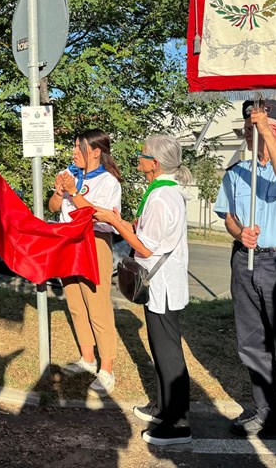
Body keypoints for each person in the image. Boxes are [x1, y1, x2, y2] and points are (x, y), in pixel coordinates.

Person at [214, 100, 276, 463]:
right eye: (246, 128)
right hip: (245, 261)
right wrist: (239, 233)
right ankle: (267, 413)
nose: (247, 133)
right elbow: (228, 216)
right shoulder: (236, 171)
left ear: (274, 131)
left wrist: (266, 135)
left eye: (253, 127)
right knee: (252, 345)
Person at [94, 135, 192, 446]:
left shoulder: (162, 196)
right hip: (158, 284)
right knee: (160, 348)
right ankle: (164, 407)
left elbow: (146, 247)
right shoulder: (160, 192)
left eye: (143, 153)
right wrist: (122, 222)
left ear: (155, 163)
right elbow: (145, 231)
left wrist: (114, 222)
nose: (139, 157)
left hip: (162, 284)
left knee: (168, 352)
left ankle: (178, 423)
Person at [50, 129, 122, 396]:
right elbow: (54, 207)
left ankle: (107, 369)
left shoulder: (108, 181)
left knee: (97, 305)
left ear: (95, 152)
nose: (73, 152)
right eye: (73, 147)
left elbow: (97, 215)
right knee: (75, 302)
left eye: (78, 148)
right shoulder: (69, 174)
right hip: (67, 241)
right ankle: (87, 357)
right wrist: (60, 192)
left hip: (94, 242)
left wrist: (73, 192)